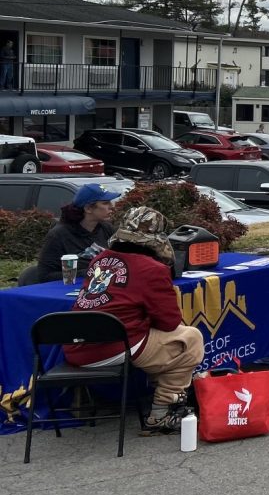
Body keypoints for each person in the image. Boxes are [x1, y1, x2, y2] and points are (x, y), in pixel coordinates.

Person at [64, 206, 204, 433]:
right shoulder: (153, 269)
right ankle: (162, 411)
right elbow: (169, 322)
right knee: (189, 338)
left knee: (162, 342)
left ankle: (163, 394)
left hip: (75, 348)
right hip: (113, 347)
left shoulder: (99, 260)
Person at [24, 183, 121, 285]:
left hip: (102, 286)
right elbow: (45, 276)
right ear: (88, 209)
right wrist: (85, 273)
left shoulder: (106, 228)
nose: (111, 207)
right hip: (69, 290)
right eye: (105, 203)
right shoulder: (59, 235)